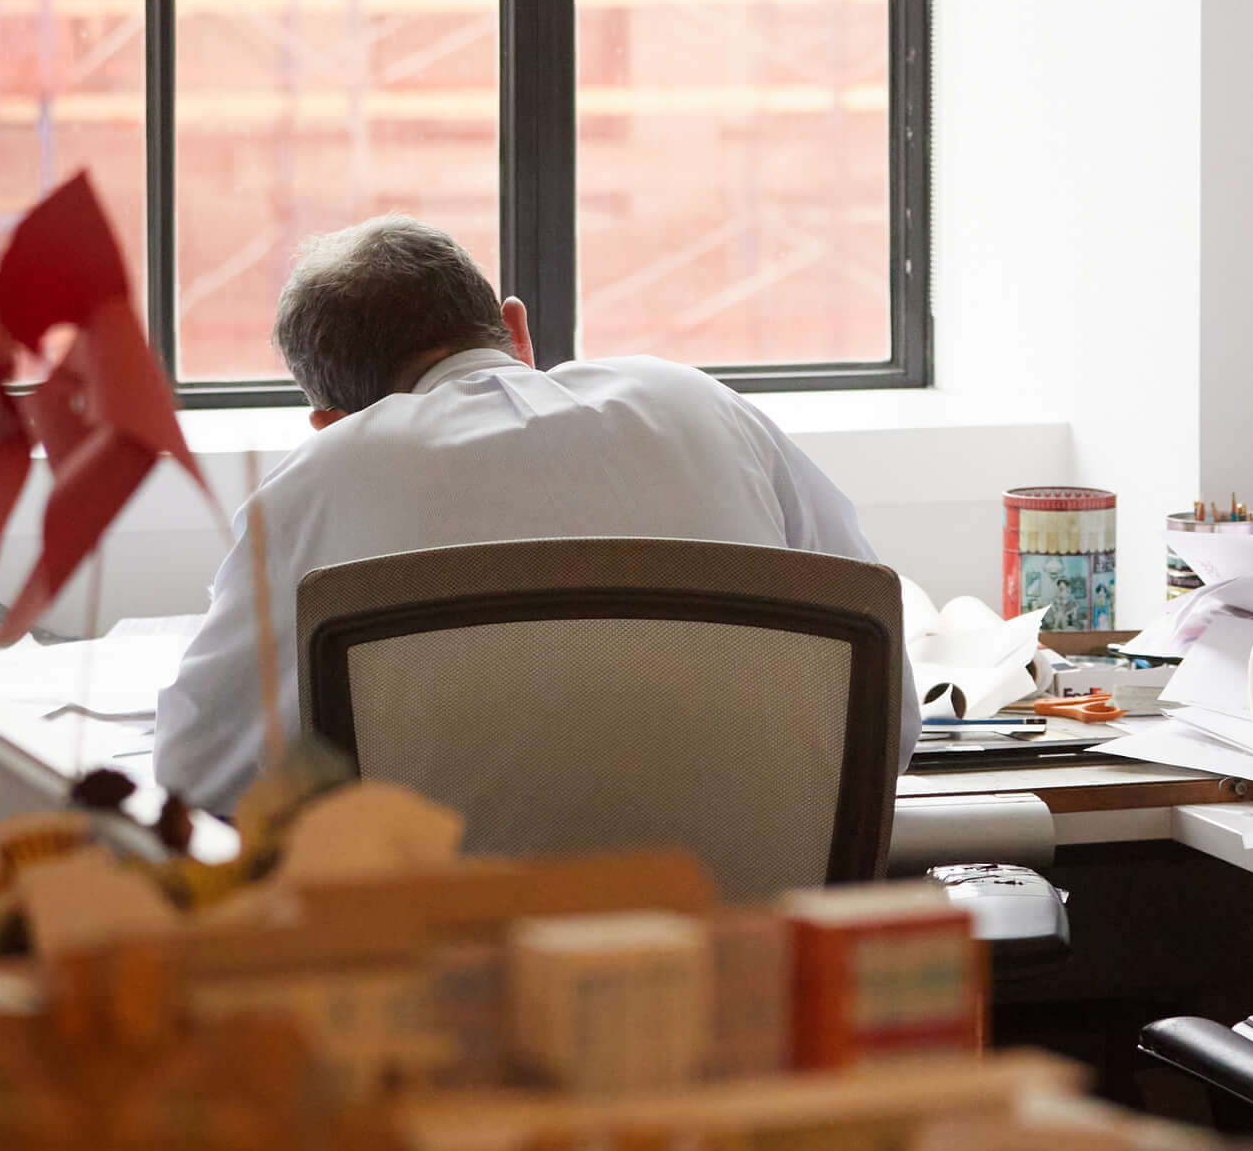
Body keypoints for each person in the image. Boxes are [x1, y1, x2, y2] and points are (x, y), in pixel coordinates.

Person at [153, 217, 887, 816]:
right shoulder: (700, 406)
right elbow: (881, 695)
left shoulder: (319, 479)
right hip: (750, 940)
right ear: (516, 329)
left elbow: (199, 772)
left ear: (329, 419)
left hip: (460, 960)